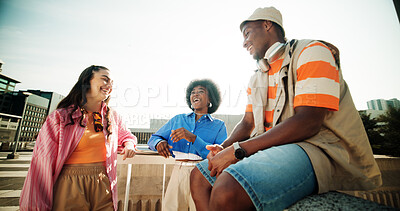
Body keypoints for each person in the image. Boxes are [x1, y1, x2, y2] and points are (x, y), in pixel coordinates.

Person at [190, 7, 382, 211]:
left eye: (247, 33)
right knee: (199, 177)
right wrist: (224, 148)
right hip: (271, 147)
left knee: (226, 189)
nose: (244, 42)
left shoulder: (312, 51)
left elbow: (308, 122)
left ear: (267, 24)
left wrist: (238, 150)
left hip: (313, 147)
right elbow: (248, 123)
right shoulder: (256, 77)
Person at [20, 65, 137, 211]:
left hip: (104, 182)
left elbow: (126, 135)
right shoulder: (60, 117)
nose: (109, 85)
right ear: (87, 81)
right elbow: (42, 161)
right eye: (105, 79)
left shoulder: (112, 116)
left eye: (112, 83)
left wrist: (129, 144)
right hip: (70, 183)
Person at [148, 79, 227, 211]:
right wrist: (159, 143)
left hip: (204, 174)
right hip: (177, 172)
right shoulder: (178, 119)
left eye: (200, 92)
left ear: (210, 99)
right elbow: (154, 138)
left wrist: (193, 138)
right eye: (192, 92)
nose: (195, 94)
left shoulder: (219, 126)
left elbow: (218, 155)